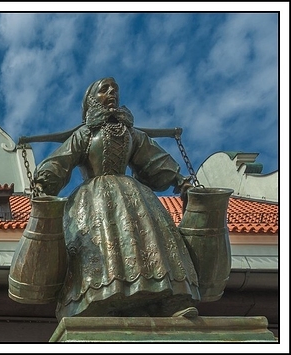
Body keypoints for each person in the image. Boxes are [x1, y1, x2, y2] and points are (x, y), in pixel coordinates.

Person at [33, 77, 200, 321]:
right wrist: (43, 181)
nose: (111, 92)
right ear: (92, 100)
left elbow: (154, 158)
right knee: (98, 245)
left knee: (148, 240)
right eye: (104, 89)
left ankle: (164, 299)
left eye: (115, 89)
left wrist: (180, 180)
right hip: (94, 200)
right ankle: (98, 299)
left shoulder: (131, 133)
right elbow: (62, 158)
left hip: (133, 196)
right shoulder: (86, 133)